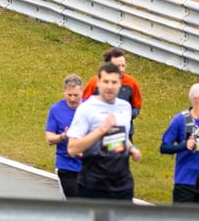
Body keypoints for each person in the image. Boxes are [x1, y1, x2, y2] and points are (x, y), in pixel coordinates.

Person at [68, 62, 140, 200]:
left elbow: (121, 136)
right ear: (98, 83)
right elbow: (72, 149)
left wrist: (133, 149)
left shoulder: (125, 107)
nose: (110, 86)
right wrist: (101, 130)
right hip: (94, 184)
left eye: (114, 82)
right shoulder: (86, 108)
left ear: (120, 84)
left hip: (122, 184)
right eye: (106, 81)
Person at [159, 83, 199, 204]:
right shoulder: (179, 120)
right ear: (198, 99)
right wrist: (184, 145)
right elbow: (164, 147)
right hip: (185, 181)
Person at [43, 74, 86, 200]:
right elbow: (49, 138)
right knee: (76, 202)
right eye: (69, 95)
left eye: (76, 95)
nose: (72, 99)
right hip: (66, 164)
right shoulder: (56, 110)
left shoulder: (91, 108)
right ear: (64, 92)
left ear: (82, 92)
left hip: (89, 164)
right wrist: (63, 136)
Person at [82, 47, 144, 117]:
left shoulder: (131, 82)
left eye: (123, 66)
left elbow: (137, 106)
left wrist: (127, 116)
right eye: (117, 66)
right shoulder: (94, 82)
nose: (121, 69)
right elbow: (83, 103)